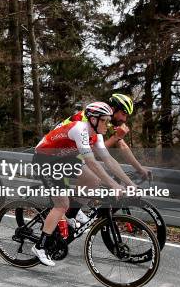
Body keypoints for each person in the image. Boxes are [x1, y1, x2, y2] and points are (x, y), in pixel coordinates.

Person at [31, 102, 137, 267]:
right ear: (93, 120)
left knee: (92, 180)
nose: (108, 125)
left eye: (109, 121)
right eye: (104, 121)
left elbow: (108, 160)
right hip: (45, 158)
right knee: (61, 204)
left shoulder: (96, 135)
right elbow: (92, 162)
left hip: (64, 158)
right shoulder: (79, 129)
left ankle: (72, 215)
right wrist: (114, 185)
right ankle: (40, 246)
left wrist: (130, 183)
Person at [62, 93, 151, 181]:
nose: (124, 120)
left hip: (73, 156)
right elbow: (93, 151)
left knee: (102, 180)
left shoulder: (106, 119)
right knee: (95, 180)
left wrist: (140, 168)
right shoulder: (93, 119)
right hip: (58, 156)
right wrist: (116, 137)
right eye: (123, 114)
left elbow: (122, 145)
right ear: (113, 109)